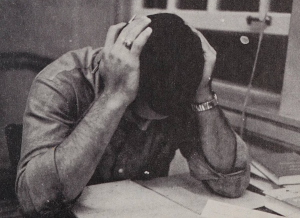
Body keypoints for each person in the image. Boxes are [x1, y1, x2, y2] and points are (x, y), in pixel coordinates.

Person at [16, 13, 250, 217]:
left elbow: (232, 184)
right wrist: (115, 96)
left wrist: (203, 93)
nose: (146, 126)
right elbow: (34, 202)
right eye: (138, 115)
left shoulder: (179, 81)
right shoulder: (62, 81)